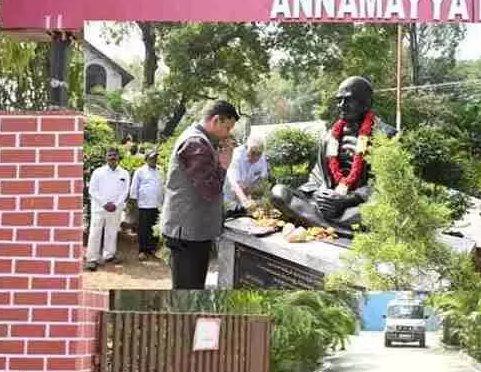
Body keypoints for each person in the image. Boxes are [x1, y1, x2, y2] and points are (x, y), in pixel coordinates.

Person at [270, 76, 396, 237]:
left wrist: (348, 199)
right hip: (327, 204)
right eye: (339, 100)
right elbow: (316, 177)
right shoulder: (330, 137)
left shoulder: (386, 136)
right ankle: (338, 229)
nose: (341, 105)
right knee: (279, 193)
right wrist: (320, 194)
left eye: (348, 100)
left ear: (366, 103)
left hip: (357, 206)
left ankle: (316, 223)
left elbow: (386, 184)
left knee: (379, 212)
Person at [160, 100, 239, 289]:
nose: (228, 134)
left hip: (192, 231)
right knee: (188, 290)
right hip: (189, 233)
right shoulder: (196, 143)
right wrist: (224, 165)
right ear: (216, 120)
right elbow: (210, 190)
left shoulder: (200, 140)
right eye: (227, 128)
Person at [86, 147, 129, 271]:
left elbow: (125, 191)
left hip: (115, 208)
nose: (112, 157)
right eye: (110, 155)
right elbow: (92, 190)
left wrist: (116, 204)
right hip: (99, 208)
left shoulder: (124, 173)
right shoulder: (98, 172)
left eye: (114, 155)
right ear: (106, 157)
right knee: (95, 232)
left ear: (118, 157)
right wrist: (104, 203)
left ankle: (109, 255)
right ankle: (92, 259)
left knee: (112, 231)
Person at [225, 132, 272, 218]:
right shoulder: (236, 155)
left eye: (259, 154)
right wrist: (245, 201)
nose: (256, 157)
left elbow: (262, 179)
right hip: (230, 197)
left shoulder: (262, 157)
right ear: (246, 147)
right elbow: (234, 184)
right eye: (253, 152)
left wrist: (251, 191)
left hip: (246, 196)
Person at [129, 149, 164, 260]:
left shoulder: (160, 170)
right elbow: (134, 187)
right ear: (146, 159)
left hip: (158, 204)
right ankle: (143, 250)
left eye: (155, 157)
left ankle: (152, 249)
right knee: (144, 228)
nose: (154, 159)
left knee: (155, 228)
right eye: (152, 157)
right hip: (144, 204)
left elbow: (163, 185)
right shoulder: (140, 171)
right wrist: (134, 202)